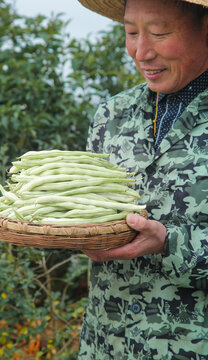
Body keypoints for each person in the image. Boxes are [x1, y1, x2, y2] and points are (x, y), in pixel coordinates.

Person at [76, 0, 208, 359]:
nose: (141, 51)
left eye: (159, 32)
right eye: (131, 32)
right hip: (107, 343)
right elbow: (93, 216)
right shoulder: (111, 116)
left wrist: (169, 242)